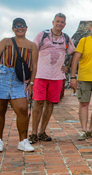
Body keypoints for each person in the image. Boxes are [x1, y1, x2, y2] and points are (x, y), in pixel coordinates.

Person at [0, 18, 38, 152]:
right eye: (16, 26)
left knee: (22, 110)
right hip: (1, 76)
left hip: (18, 80)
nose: (19, 28)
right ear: (13, 28)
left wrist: (31, 84)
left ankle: (23, 141)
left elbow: (34, 66)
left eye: (22, 26)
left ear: (26, 28)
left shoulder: (32, 46)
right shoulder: (6, 42)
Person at [29, 13, 75, 144]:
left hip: (57, 76)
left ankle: (42, 131)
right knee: (38, 103)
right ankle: (33, 133)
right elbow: (33, 50)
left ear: (65, 24)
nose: (59, 24)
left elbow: (74, 52)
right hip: (40, 74)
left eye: (62, 22)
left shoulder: (66, 38)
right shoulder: (42, 35)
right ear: (53, 22)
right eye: (57, 21)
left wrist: (68, 66)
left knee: (50, 104)